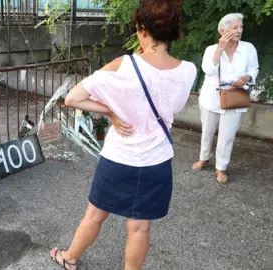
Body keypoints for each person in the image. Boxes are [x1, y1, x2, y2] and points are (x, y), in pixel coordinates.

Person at [48, 0, 197, 269]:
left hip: (119, 157)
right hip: (157, 161)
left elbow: (73, 98)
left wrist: (113, 112)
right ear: (173, 32)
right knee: (139, 227)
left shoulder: (123, 65)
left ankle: (69, 259)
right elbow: (172, 107)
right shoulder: (188, 70)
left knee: (94, 214)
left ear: (142, 30)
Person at [191, 13, 259, 183]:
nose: (239, 30)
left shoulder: (248, 48)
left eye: (241, 27)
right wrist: (219, 48)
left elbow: (254, 69)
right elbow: (208, 70)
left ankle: (221, 167)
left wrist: (246, 78)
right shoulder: (211, 49)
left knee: (227, 135)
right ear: (222, 30)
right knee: (207, 131)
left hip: (235, 97)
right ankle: (204, 158)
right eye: (235, 27)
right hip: (211, 97)